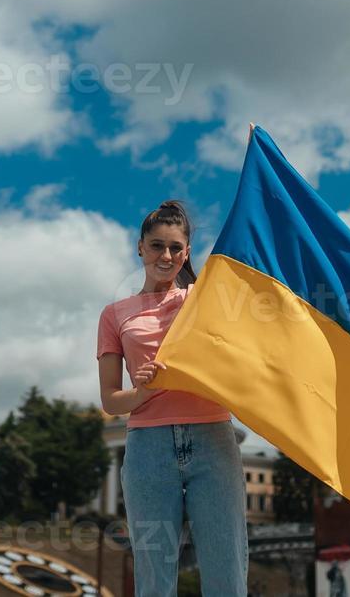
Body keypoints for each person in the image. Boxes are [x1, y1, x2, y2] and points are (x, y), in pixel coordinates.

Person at [97, 200, 249, 597]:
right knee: (153, 578)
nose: (166, 256)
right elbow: (111, 401)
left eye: (175, 248)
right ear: (140, 248)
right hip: (147, 448)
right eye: (156, 246)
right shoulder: (114, 314)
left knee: (227, 572)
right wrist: (144, 391)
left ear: (186, 252)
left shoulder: (204, 300)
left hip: (213, 439)